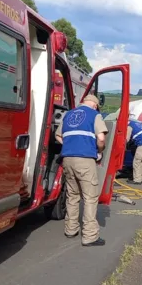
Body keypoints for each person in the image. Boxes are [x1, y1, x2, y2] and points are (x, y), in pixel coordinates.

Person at [54, 94, 107, 246]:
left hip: (68, 159)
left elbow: (58, 135)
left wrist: (70, 144)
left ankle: (71, 229)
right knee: (90, 197)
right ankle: (90, 236)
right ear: (95, 105)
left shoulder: (69, 114)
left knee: (72, 195)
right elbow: (101, 138)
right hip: (85, 160)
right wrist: (99, 150)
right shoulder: (94, 115)